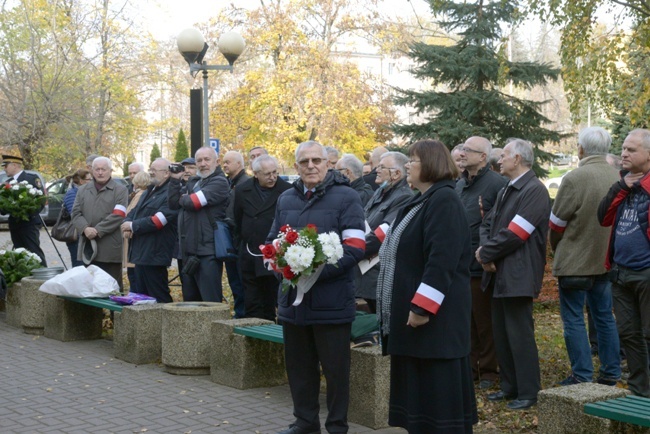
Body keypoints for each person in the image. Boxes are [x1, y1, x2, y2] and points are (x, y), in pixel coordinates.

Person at [376, 139, 477, 433]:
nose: (408, 165)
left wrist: (422, 307)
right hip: (417, 330)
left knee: (438, 409)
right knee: (420, 409)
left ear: (431, 164)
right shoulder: (421, 199)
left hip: (434, 327)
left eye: (414, 160)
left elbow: (441, 261)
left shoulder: (443, 200)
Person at [268, 140, 365, 434]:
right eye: (304, 162)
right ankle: (305, 422)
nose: (310, 166)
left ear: (328, 164)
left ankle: (337, 426)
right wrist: (279, 266)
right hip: (292, 304)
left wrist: (311, 273)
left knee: (335, 372)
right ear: (296, 167)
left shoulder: (347, 197)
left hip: (331, 301)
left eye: (316, 160)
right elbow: (273, 242)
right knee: (299, 369)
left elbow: (356, 247)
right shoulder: (285, 199)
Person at [476, 139, 550, 410]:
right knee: (502, 333)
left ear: (518, 158)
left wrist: (486, 253)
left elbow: (518, 233)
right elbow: (488, 223)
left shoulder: (534, 190)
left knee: (519, 335)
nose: (499, 160)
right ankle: (509, 387)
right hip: (498, 273)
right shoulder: (508, 188)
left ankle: (529, 391)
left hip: (518, 273)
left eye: (504, 155)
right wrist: (486, 251)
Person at [550, 127, 621, 386]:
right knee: (604, 316)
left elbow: (556, 224)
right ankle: (612, 372)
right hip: (604, 260)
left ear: (580, 149)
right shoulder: (618, 177)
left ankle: (582, 375)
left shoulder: (574, 178)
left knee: (574, 319)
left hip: (575, 262)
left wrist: (556, 247)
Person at [598, 128, 650, 398]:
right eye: (624, 148)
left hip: (646, 273)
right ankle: (641, 392)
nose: (624, 153)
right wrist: (622, 186)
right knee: (629, 334)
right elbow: (603, 218)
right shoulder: (622, 182)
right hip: (620, 273)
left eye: (632, 149)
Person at [456, 136, 507, 390]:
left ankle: (489, 371)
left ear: (483, 157)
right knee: (466, 321)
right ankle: (471, 367)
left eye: (468, 150)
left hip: (482, 264)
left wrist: (488, 254)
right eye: (462, 149)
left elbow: (500, 224)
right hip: (460, 265)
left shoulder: (497, 184)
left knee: (485, 321)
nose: (462, 154)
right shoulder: (460, 184)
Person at [233, 154, 291, 321]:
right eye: (267, 174)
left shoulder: (286, 190)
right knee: (252, 301)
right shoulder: (243, 190)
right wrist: (241, 243)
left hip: (275, 254)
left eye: (275, 172)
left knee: (271, 299)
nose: (272, 177)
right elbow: (238, 218)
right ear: (256, 173)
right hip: (250, 253)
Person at [168, 147, 230, 302]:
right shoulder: (195, 182)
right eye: (199, 160)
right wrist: (175, 180)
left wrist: (185, 198)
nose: (203, 164)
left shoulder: (220, 182)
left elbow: (193, 202)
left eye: (207, 159)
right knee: (190, 302)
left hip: (207, 251)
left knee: (210, 302)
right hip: (188, 251)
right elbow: (173, 203)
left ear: (217, 161)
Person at [357, 152, 413, 312]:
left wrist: (354, 249)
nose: (376, 170)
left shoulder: (403, 197)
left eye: (382, 167)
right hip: (366, 270)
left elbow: (382, 234)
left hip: (378, 271)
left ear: (396, 173)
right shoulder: (381, 191)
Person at [122, 158, 178, 303]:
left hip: (155, 254)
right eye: (150, 169)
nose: (150, 173)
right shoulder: (150, 190)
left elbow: (159, 220)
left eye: (154, 170)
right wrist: (127, 221)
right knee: (142, 297)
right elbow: (133, 212)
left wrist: (132, 226)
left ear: (166, 173)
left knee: (159, 297)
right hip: (140, 253)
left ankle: (165, 324)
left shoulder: (171, 193)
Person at [72, 156, 128, 290]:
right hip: (88, 247)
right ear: (92, 171)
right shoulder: (83, 190)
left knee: (113, 286)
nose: (100, 172)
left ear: (110, 171)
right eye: (97, 169)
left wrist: (97, 230)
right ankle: (93, 312)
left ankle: (114, 311)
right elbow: (75, 213)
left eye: (104, 169)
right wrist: (85, 228)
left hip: (110, 248)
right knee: (89, 286)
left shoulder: (120, 190)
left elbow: (118, 215)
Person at [0, 155, 47, 266]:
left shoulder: (31, 178)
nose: (4, 169)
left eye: (6, 166)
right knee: (19, 253)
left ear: (15, 165)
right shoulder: (7, 183)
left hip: (29, 222)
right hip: (15, 223)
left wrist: (27, 213)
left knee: (34, 251)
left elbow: (41, 200)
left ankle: (41, 275)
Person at [222, 150, 249, 318]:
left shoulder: (244, 184)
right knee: (234, 281)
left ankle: (242, 314)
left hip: (240, 240)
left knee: (241, 281)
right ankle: (239, 313)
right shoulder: (230, 183)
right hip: (231, 239)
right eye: (223, 162)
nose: (224, 165)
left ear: (239, 164)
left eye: (228, 162)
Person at [122, 171, 152, 293]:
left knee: (134, 275)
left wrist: (128, 225)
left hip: (133, 236)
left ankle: (135, 296)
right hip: (132, 235)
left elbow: (132, 213)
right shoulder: (141, 194)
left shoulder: (140, 195)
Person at [63, 169, 93, 267]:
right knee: (79, 268)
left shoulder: (83, 192)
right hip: (76, 237)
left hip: (83, 236)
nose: (92, 182)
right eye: (89, 179)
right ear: (81, 181)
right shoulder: (72, 193)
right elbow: (74, 213)